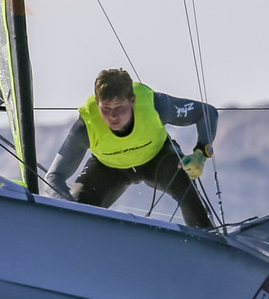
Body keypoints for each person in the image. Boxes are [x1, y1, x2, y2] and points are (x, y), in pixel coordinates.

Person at [45, 68, 217, 229]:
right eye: (106, 108)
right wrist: (72, 209)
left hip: (158, 159)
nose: (113, 116)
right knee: (78, 211)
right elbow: (53, 177)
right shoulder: (85, 127)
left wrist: (200, 154)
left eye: (119, 107)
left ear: (132, 100)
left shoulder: (156, 106)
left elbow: (207, 113)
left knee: (185, 187)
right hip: (109, 168)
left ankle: (209, 240)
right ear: (97, 103)